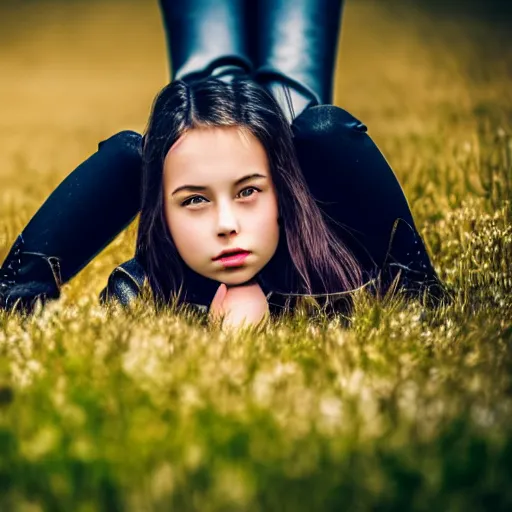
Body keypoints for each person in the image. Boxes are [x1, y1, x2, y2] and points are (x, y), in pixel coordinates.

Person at [0, 0, 447, 326]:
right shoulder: (146, 284)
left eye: (249, 192)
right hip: (211, 128)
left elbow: (424, 301)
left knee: (302, 119)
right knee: (221, 79)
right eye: (194, 201)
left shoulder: (313, 164)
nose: (227, 225)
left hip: (282, 129)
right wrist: (133, 161)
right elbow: (12, 299)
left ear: (281, 189)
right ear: (160, 208)